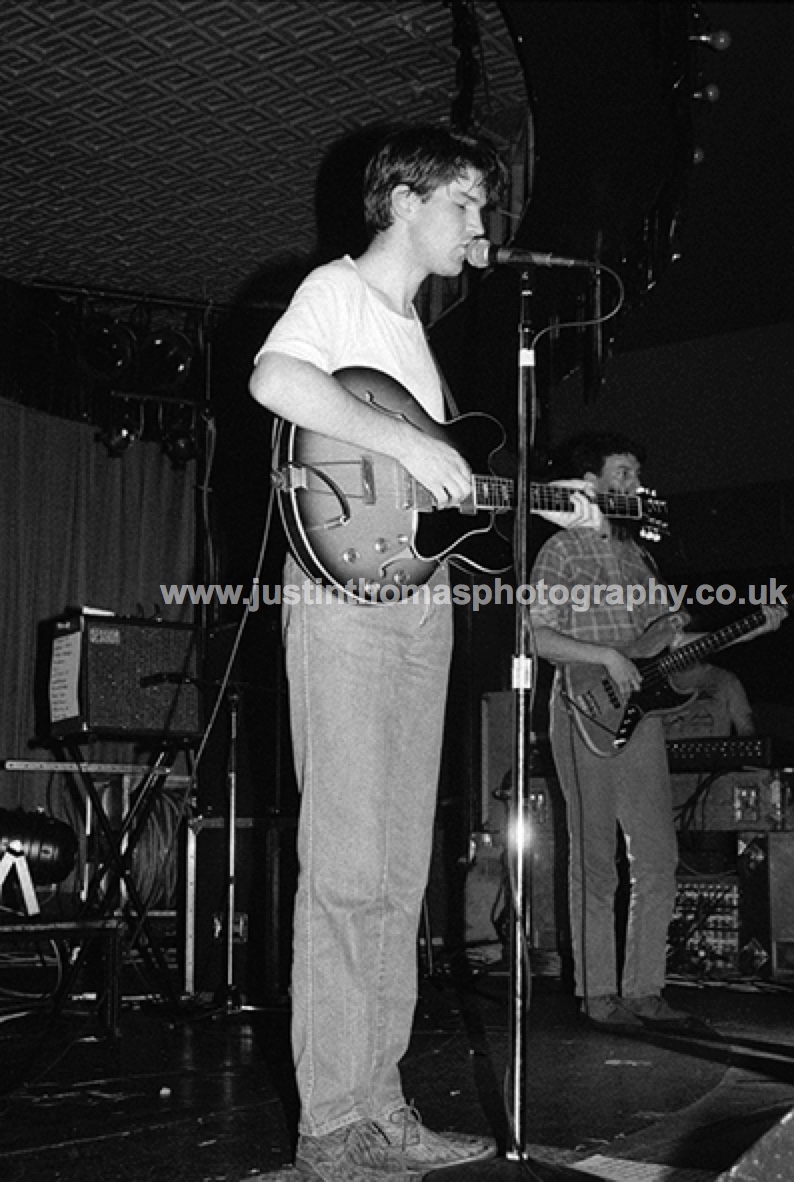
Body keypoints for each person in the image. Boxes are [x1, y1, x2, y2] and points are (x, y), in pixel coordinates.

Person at [528, 433, 786, 1034]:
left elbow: (670, 647)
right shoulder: (561, 551)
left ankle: (644, 989)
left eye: (636, 476)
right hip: (581, 706)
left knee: (658, 856)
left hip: (638, 720)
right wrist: (608, 658)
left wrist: (749, 629)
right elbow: (535, 637)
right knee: (595, 860)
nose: (631, 486)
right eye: (620, 473)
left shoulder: (641, 561)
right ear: (590, 484)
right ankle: (597, 994)